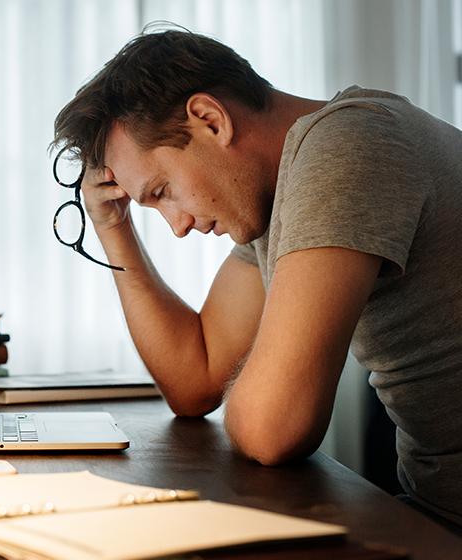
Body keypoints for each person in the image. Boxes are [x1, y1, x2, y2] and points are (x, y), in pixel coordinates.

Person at [52, 26, 462, 530]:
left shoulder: (349, 145)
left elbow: (274, 428)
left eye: (163, 191)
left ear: (209, 119)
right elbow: (195, 381)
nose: (178, 225)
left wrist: (263, 388)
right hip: (433, 510)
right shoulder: (279, 196)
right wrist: (113, 225)